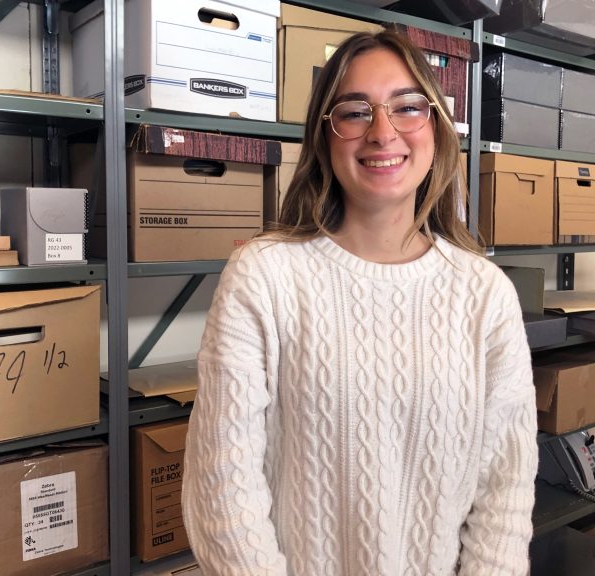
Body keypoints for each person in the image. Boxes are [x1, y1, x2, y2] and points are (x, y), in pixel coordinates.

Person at [182, 28, 538, 576]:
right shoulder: (264, 275)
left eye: (407, 108)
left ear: (436, 131)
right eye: (354, 112)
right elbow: (222, 483)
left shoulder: (485, 295)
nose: (382, 132)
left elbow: (505, 493)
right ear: (324, 136)